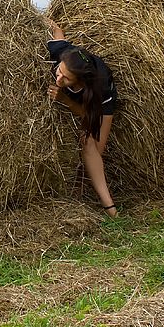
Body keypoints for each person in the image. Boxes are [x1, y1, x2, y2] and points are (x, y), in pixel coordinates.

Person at [45, 19, 119, 217]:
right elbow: (56, 28)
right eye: (59, 71)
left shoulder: (99, 89)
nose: (58, 79)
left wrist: (65, 100)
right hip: (82, 88)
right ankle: (83, 193)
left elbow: (88, 115)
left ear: (80, 81)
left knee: (92, 147)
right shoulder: (64, 53)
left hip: (101, 104)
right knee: (89, 151)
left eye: (66, 78)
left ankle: (110, 208)